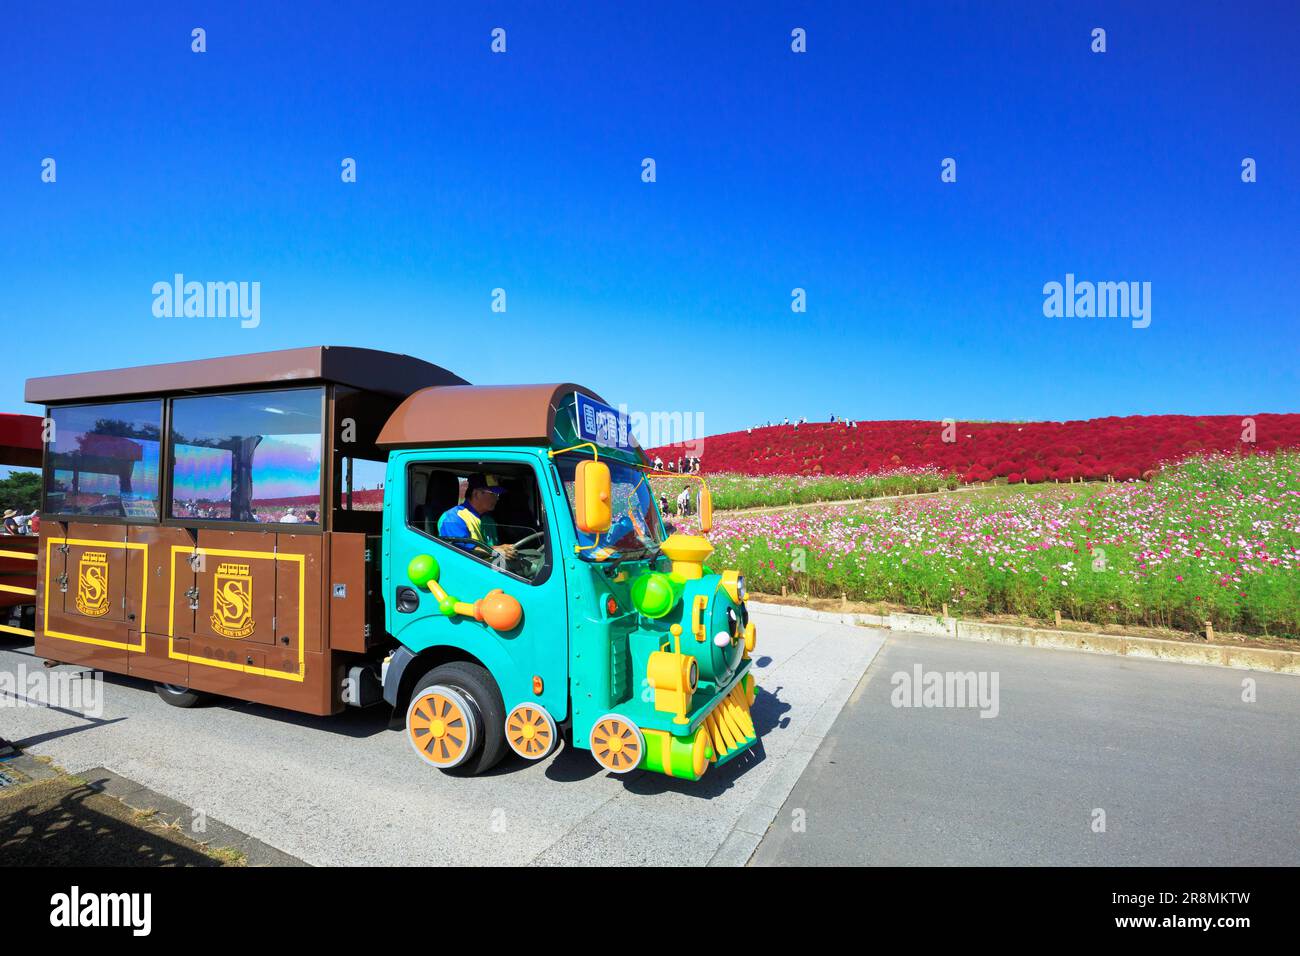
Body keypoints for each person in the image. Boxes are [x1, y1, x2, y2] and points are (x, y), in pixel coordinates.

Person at [438, 473, 516, 558]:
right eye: (493, 493)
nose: (497, 498)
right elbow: (464, 552)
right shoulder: (453, 518)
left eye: (498, 495)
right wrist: (498, 550)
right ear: (476, 494)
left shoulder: (488, 519)